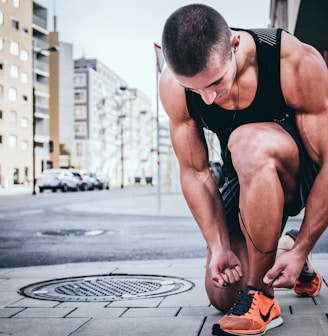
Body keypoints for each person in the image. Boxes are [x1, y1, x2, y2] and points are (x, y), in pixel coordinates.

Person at [159, 4, 327, 336]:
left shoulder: (292, 60)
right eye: (196, 90)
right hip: (246, 175)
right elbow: (195, 171)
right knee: (222, 293)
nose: (207, 99)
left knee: (246, 140)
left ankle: (262, 300)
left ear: (234, 45)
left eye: (216, 82)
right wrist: (218, 245)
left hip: (299, 172)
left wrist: (308, 244)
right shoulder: (175, 85)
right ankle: (284, 249)